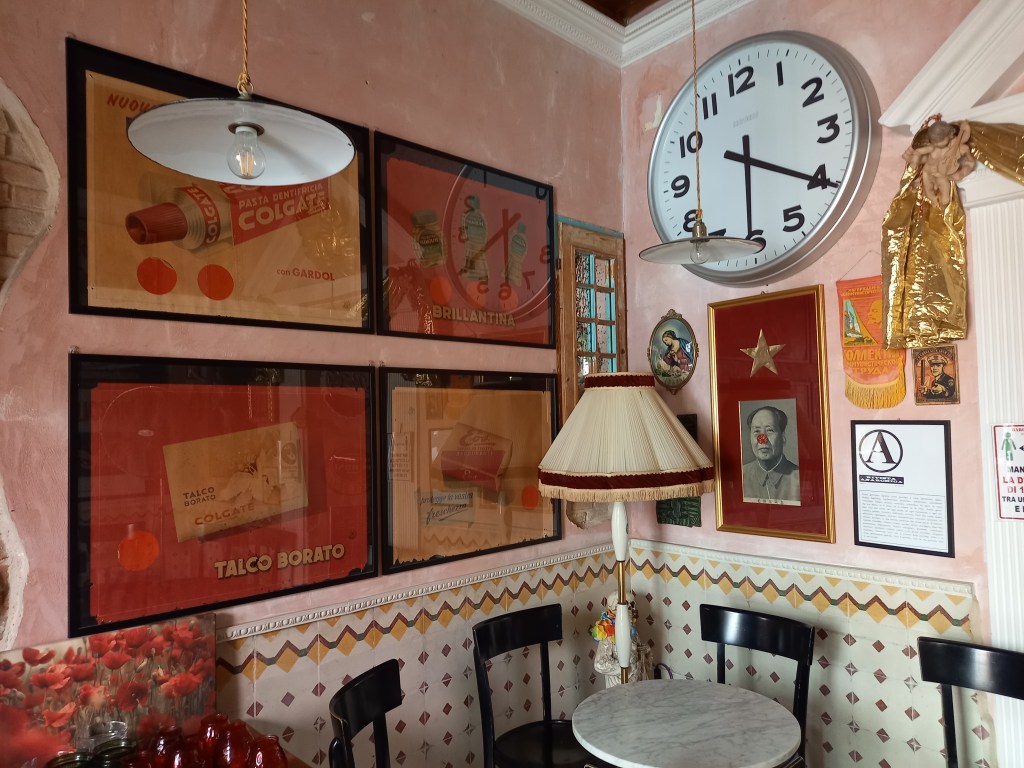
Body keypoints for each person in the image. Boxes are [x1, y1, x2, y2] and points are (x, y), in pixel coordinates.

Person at [741, 405, 800, 504]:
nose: (762, 439)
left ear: (783, 437)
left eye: (770, 430)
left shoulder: (800, 479)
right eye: (756, 431)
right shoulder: (741, 476)